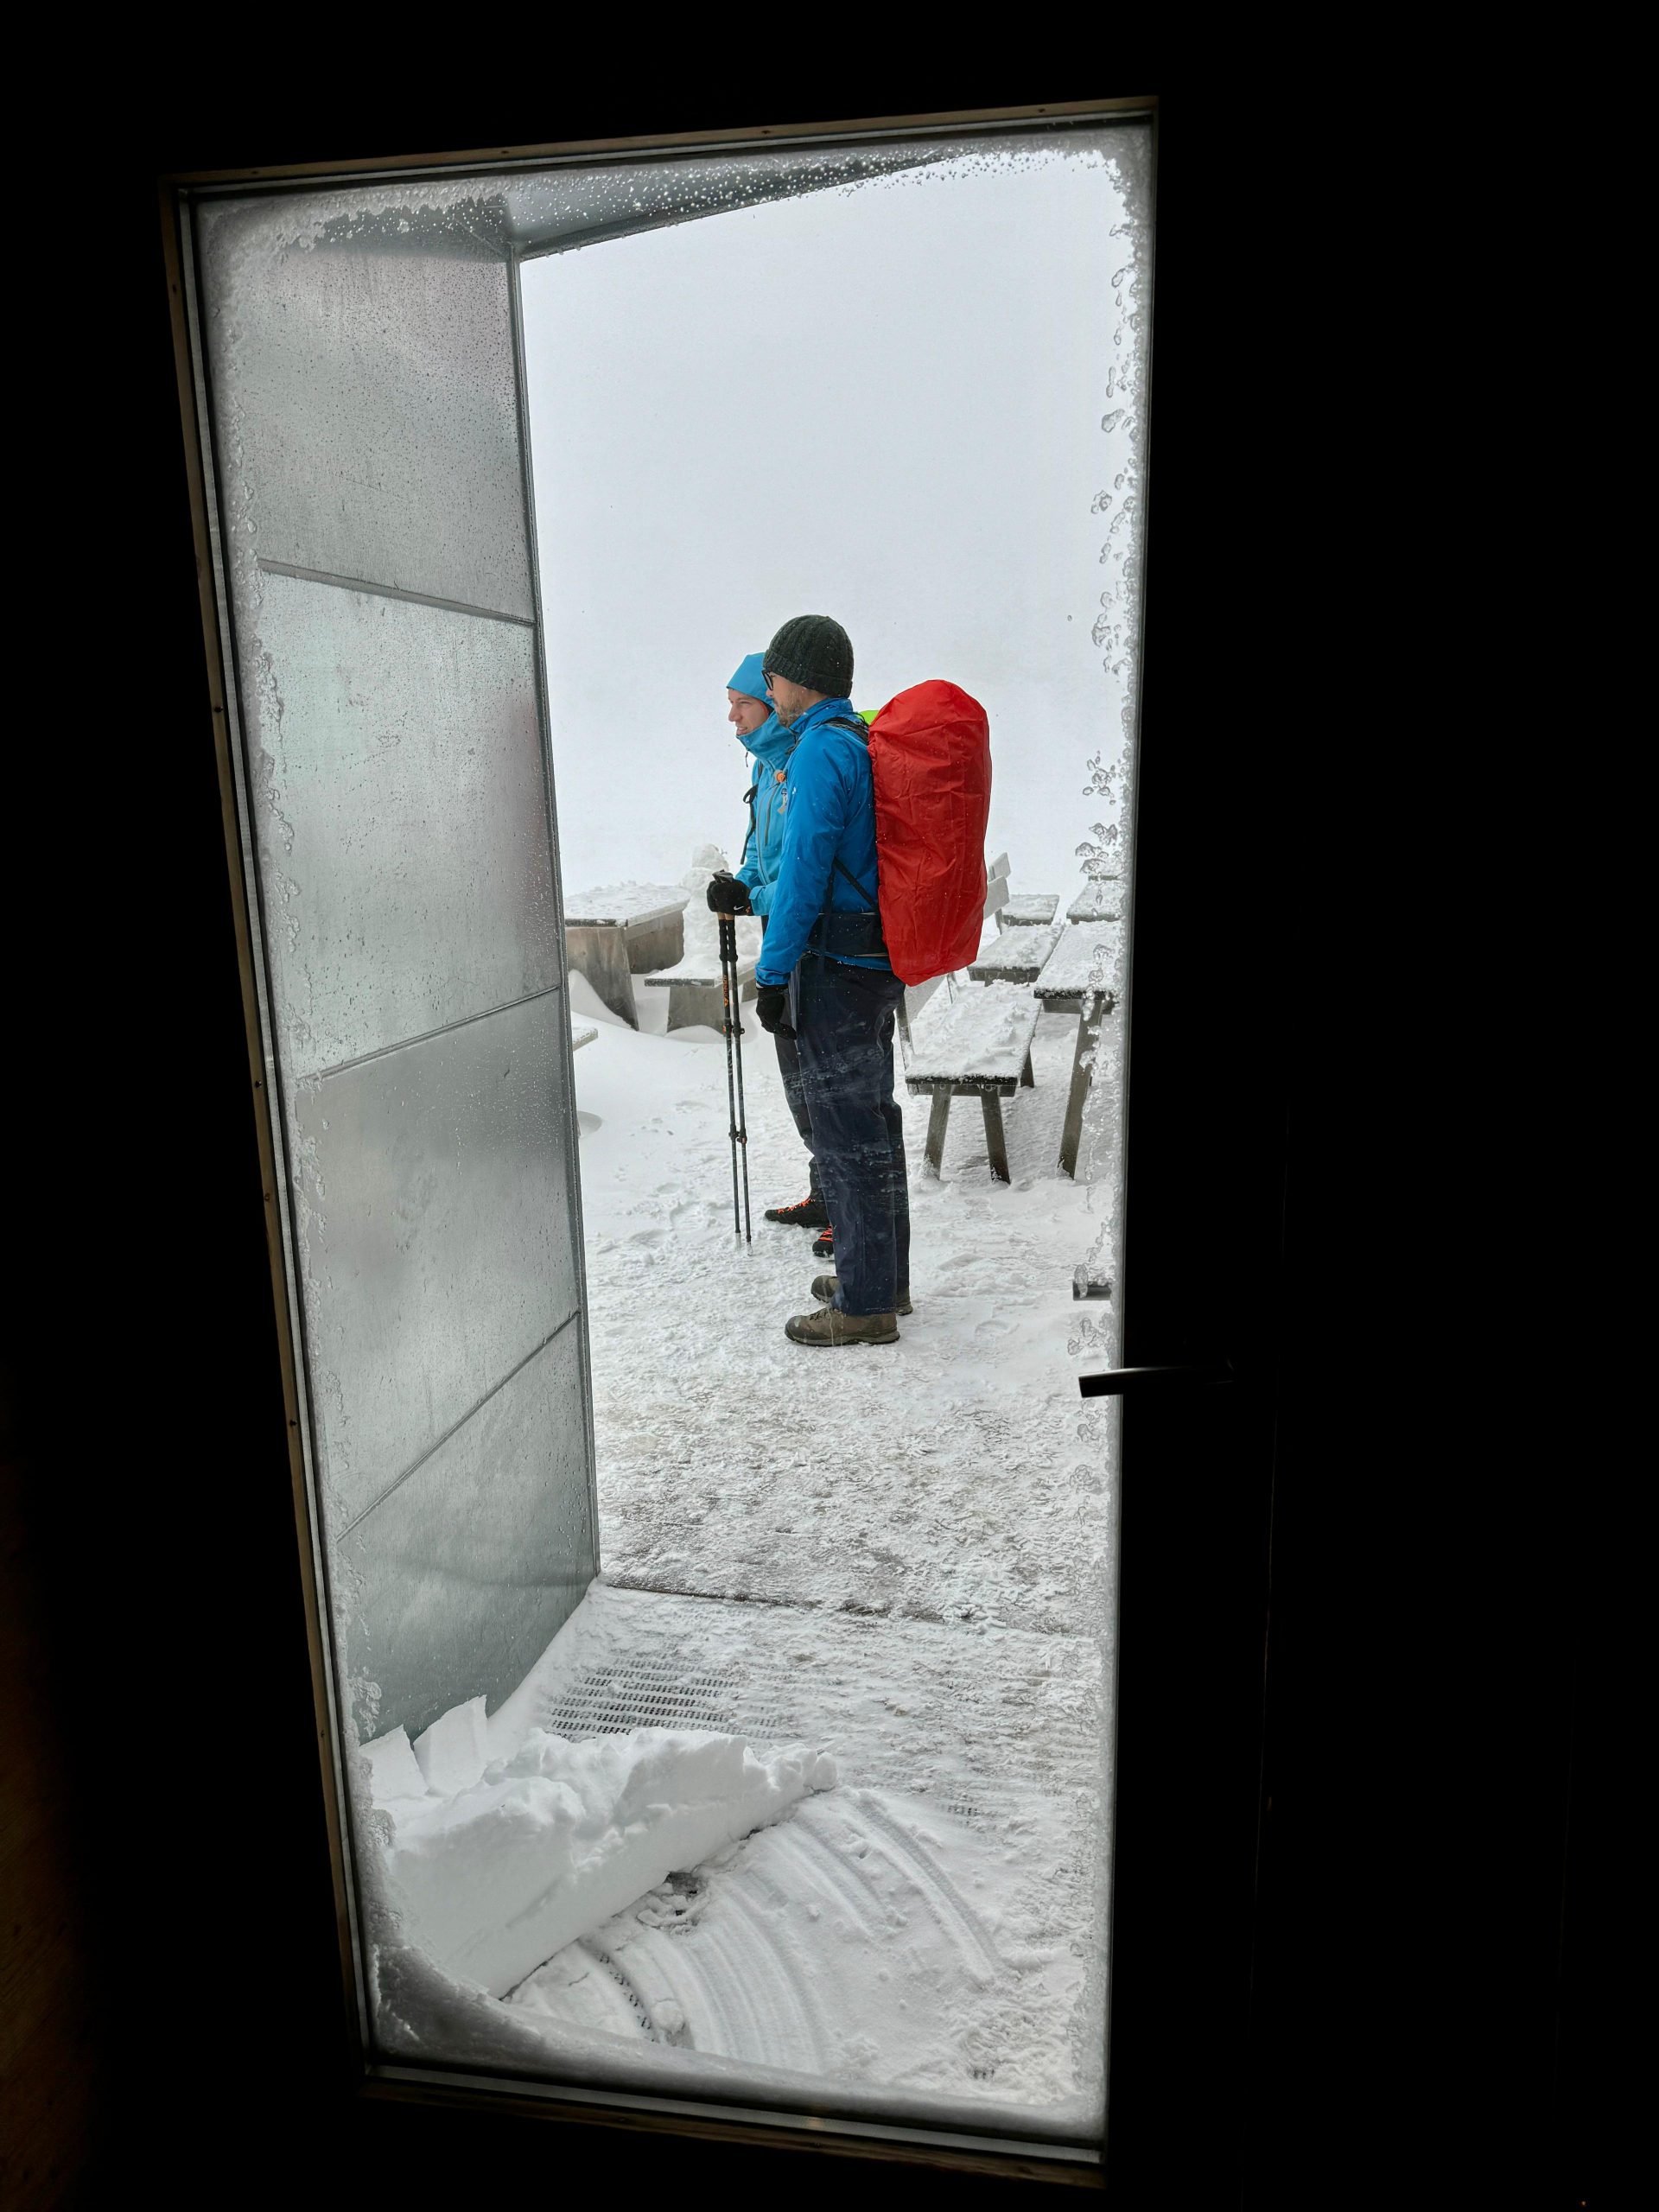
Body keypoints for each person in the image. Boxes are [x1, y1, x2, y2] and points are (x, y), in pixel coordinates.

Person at [747, 615, 911, 1348]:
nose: (770, 689)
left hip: (837, 967)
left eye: (774, 676)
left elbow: (805, 872)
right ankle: (881, 1278)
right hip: (873, 961)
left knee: (847, 1135)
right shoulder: (855, 738)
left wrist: (773, 970)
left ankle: (865, 1304)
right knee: (874, 1123)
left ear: (799, 678)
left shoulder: (818, 750)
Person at [707, 655, 829, 1230]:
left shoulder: (807, 762)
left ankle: (846, 1203)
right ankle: (826, 1189)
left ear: (775, 703)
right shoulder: (765, 769)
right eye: (730, 705)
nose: (733, 718)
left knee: (825, 1080)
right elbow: (762, 857)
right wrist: (740, 887)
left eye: (744, 704)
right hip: (783, 937)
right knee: (798, 1075)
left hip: (817, 940)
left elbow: (809, 875)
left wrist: (754, 898)